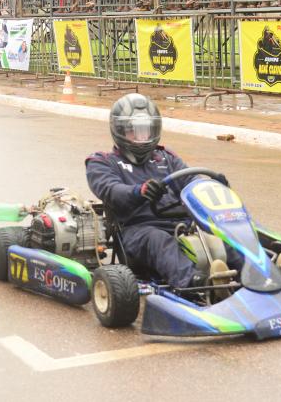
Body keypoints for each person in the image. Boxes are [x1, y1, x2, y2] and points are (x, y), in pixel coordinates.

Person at [86, 94, 243, 291]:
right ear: (119, 131)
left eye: (146, 131)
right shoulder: (101, 162)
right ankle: (198, 283)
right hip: (139, 231)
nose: (142, 138)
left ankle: (254, 272)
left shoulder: (166, 158)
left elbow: (190, 181)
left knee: (219, 233)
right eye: (134, 132)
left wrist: (211, 187)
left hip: (181, 226)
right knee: (159, 240)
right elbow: (111, 190)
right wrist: (139, 191)